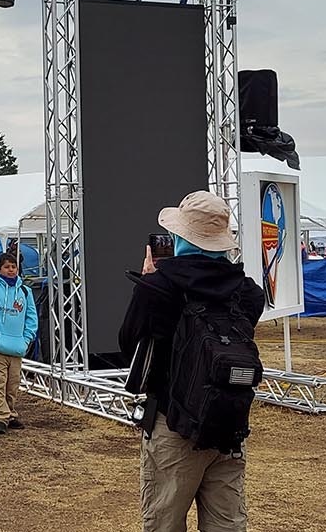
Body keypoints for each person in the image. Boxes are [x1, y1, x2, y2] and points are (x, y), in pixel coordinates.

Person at [118, 191, 266, 532]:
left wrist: (149, 282)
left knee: (164, 522)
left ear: (179, 236)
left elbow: (128, 347)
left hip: (173, 425)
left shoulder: (158, 287)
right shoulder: (247, 291)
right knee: (227, 524)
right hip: (228, 424)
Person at [0, 250, 39, 434]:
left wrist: (27, 338)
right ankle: (0, 417)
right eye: (7, 267)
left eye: (13, 267)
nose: (11, 270)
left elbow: (31, 317)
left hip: (17, 346)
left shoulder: (25, 291)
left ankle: (10, 413)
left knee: (12, 384)